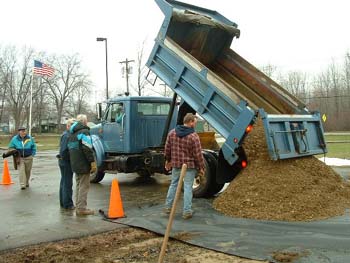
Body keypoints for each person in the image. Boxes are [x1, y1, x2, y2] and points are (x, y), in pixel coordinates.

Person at [164, 113, 205, 219]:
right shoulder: (193, 136)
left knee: (173, 184)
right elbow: (198, 154)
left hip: (176, 165)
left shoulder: (172, 133)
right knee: (187, 187)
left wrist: (168, 160)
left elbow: (167, 149)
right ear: (190, 122)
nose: (195, 124)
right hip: (189, 167)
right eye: (195, 122)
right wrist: (201, 167)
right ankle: (187, 211)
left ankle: (168, 207)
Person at [68, 114, 97, 216]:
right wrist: (92, 162)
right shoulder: (84, 132)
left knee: (78, 185)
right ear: (84, 122)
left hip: (75, 163)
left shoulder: (71, 133)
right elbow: (87, 148)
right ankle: (81, 209)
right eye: (86, 120)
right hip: (83, 164)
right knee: (84, 186)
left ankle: (78, 206)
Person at [57, 118, 75, 210]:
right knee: (67, 183)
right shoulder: (67, 136)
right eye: (72, 124)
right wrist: (71, 159)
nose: (73, 126)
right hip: (66, 162)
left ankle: (63, 202)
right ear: (68, 126)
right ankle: (68, 204)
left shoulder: (67, 135)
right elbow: (64, 151)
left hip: (64, 161)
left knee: (64, 182)